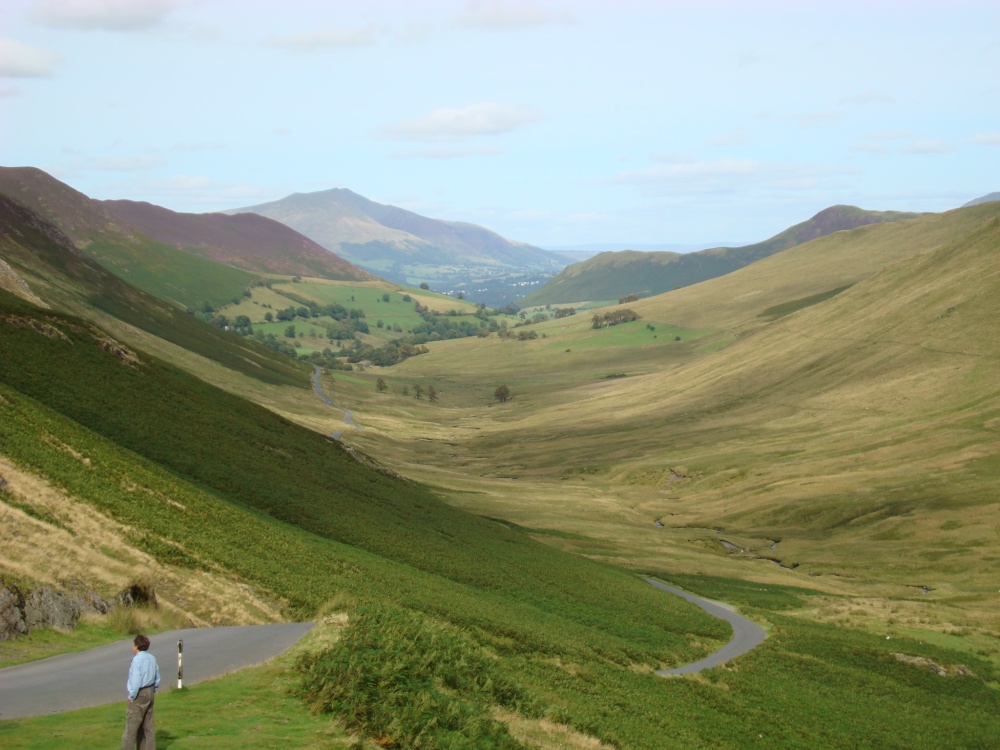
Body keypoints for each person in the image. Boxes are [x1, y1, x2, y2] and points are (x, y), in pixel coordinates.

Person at [122, 633, 160, 750]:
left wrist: (131, 696)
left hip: (140, 693)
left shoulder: (137, 660)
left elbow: (136, 681)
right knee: (147, 728)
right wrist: (153, 690)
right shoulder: (152, 658)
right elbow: (157, 677)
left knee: (131, 730)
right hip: (150, 691)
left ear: (137, 646)